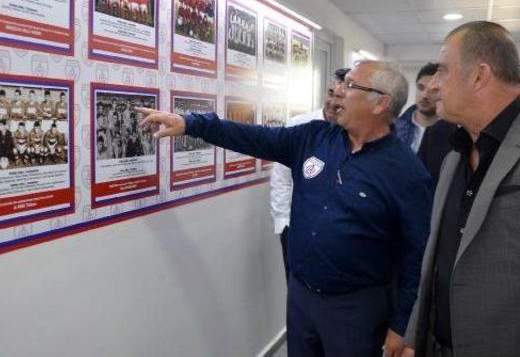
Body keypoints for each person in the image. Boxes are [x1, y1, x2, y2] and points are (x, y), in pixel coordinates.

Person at [137, 60, 433, 357]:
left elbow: (415, 256)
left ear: (380, 103)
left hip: (356, 310)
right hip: (301, 297)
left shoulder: (407, 174)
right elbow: (253, 137)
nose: (339, 92)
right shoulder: (314, 137)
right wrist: (191, 124)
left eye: (351, 85)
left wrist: (401, 326)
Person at [403, 21, 520, 357]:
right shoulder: (453, 157)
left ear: (479, 75)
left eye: (442, 70)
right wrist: (415, 338)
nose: (434, 84)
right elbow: (437, 260)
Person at [269, 68, 349, 282]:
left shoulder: (353, 132)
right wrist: (284, 223)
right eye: (331, 93)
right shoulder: (299, 126)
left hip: (336, 234)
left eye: (341, 97)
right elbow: (281, 179)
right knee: (296, 292)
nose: (332, 102)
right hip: (296, 227)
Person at [395, 63, 440, 153]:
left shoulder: (454, 135)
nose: (425, 95)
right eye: (421, 88)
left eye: (434, 90)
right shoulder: (394, 129)